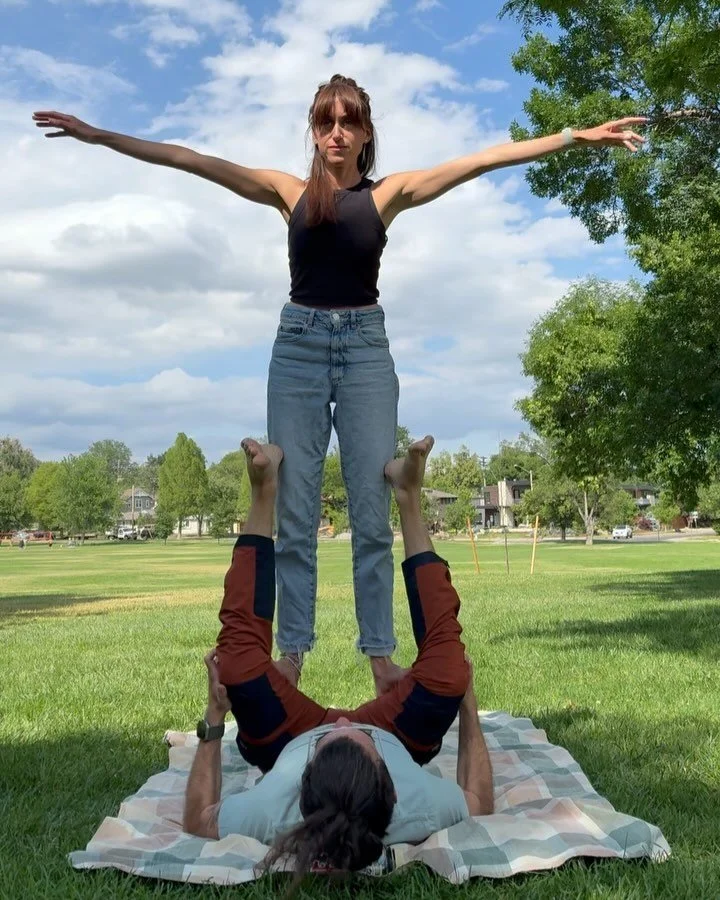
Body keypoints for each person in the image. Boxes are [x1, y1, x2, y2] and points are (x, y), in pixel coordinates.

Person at [32, 82, 646, 690]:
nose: (336, 133)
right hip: (297, 348)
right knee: (293, 514)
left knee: (374, 515)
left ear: (365, 132)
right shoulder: (288, 192)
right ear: (314, 130)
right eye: (325, 122)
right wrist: (99, 136)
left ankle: (381, 658)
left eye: (348, 122)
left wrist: (576, 138)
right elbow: (192, 161)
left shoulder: (389, 196)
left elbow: (481, 160)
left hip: (365, 352)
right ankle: (292, 654)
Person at [183, 436, 493, 880]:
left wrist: (214, 720)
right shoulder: (418, 805)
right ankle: (408, 498)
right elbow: (479, 803)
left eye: (332, 738)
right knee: (450, 670)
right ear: (390, 780)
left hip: (288, 738)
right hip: (395, 733)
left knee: (232, 666)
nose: (343, 722)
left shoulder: (274, 810)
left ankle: (264, 492)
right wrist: (468, 706)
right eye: (354, 736)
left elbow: (198, 820)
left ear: (301, 780)